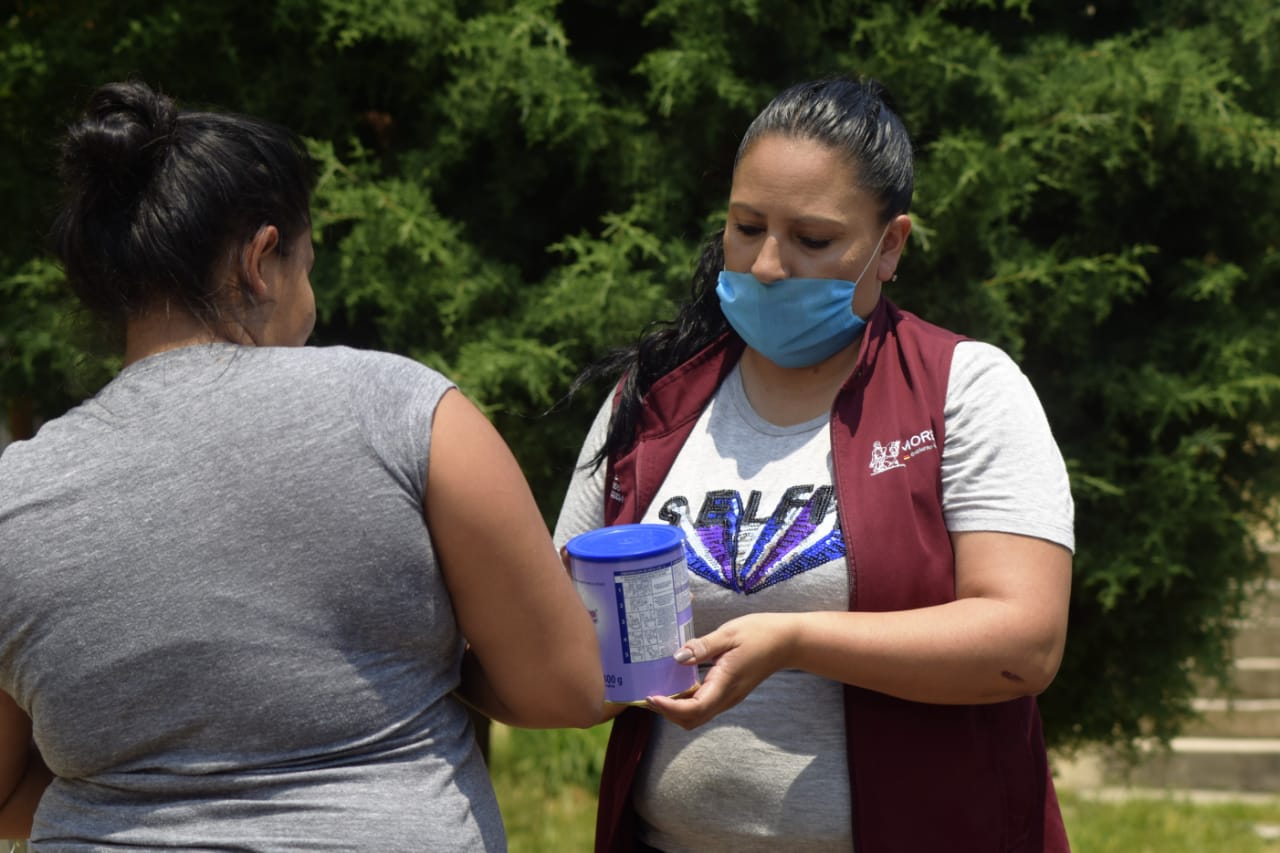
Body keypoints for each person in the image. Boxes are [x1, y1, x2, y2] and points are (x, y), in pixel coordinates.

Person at [0, 80, 604, 850]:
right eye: (306, 267)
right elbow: (568, 684)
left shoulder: (15, 494)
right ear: (260, 260)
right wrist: (434, 663)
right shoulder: (405, 410)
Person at [554, 77, 1074, 852]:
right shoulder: (652, 400)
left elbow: (1023, 643)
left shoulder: (962, 388)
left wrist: (796, 640)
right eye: (746, 225)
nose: (767, 265)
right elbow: (561, 628)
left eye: (814, 239)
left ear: (889, 245)